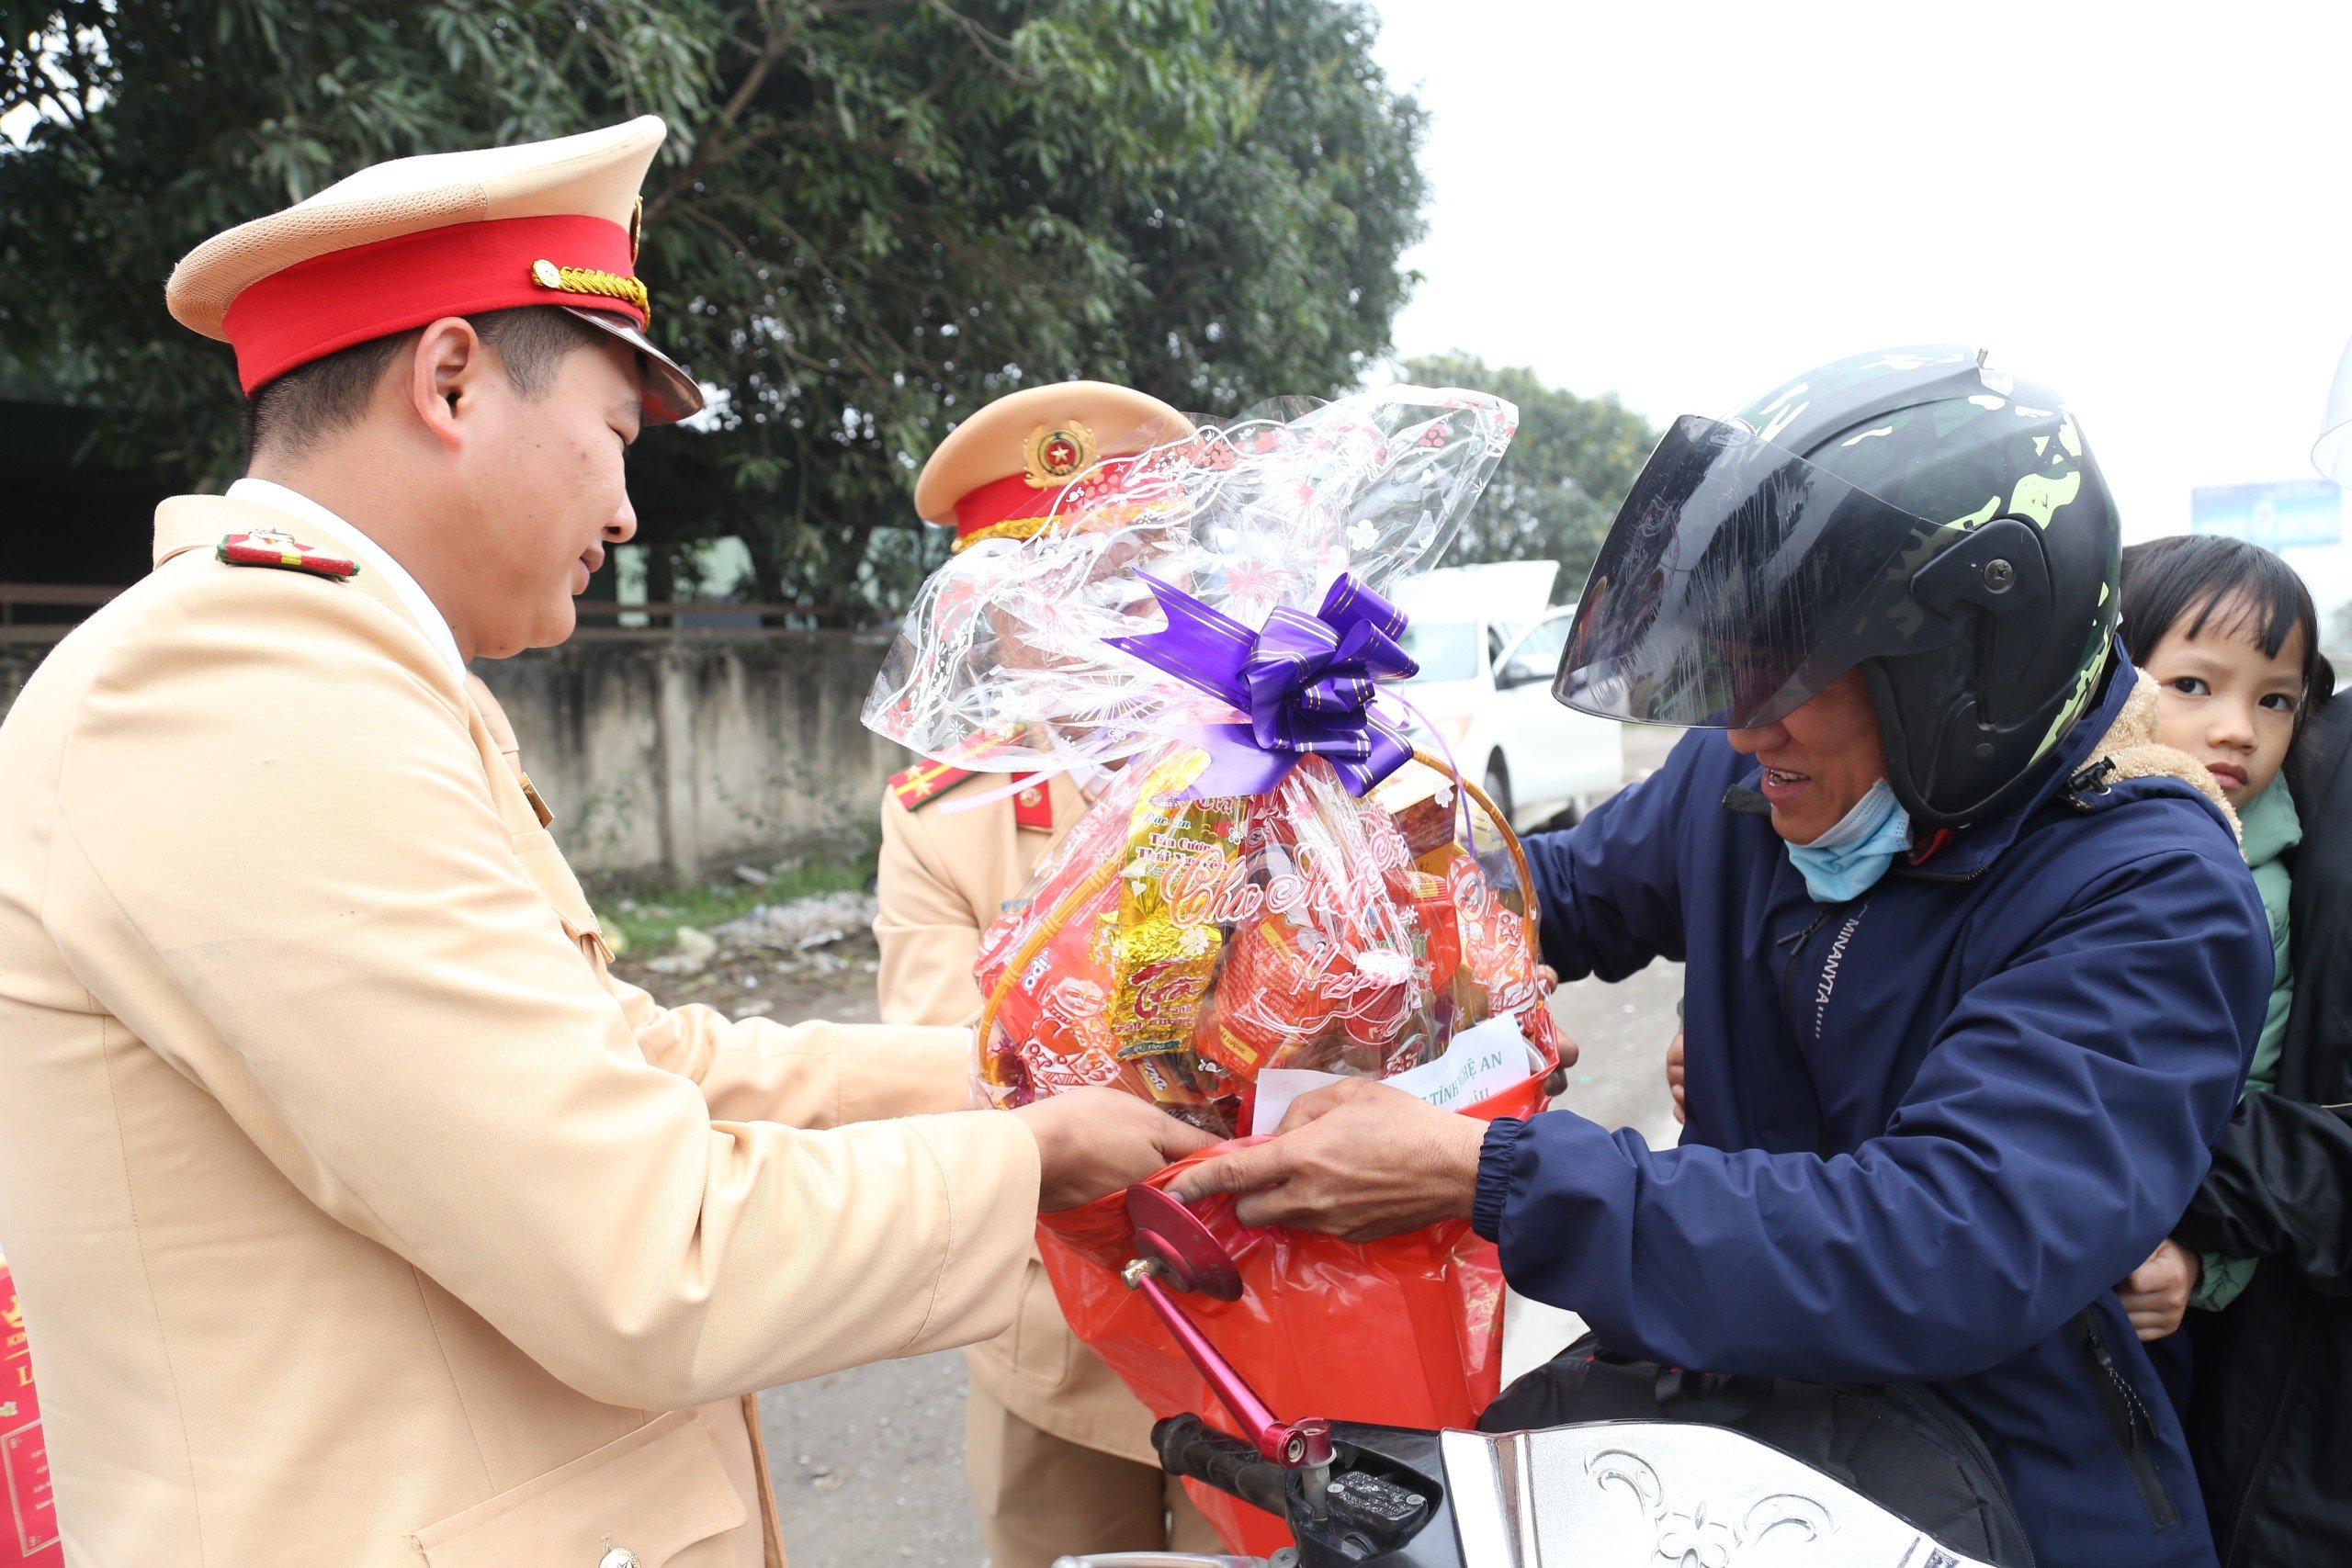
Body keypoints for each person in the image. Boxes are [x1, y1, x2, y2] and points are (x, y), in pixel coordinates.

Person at [0, 119, 1209, 1567]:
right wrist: (1029, 1156)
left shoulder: (335, 668)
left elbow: (629, 1060)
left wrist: (1010, 1069)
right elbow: (652, 1252)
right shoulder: (239, 690)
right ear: (450, 380)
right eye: (618, 435)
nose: (629, 510)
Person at [1177, 346, 2271, 1566]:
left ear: (1970, 671)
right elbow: (1547, 894)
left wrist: (1488, 1170)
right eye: (1738, 664)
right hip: (1714, 1441)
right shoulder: (1744, 779)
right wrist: (1304, 898)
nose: (1747, 720)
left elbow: (1942, 1238)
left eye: (1795, 674)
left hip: (1991, 1481)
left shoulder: (2149, 888)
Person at [875, 380, 1219, 1567]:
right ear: (995, 615)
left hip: (1281, 1296)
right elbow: (940, 1059)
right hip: (1055, 1326)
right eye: (1045, 592)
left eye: (1122, 581)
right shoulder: (945, 816)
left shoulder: (1283, 763)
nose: (1086, 626)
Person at [2105, 536, 2324, 1343]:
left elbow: (2243, 1103)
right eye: (2192, 686)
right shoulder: (2028, 826)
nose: (2238, 729)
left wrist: (2202, 1265)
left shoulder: (2258, 890)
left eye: (2277, 700)